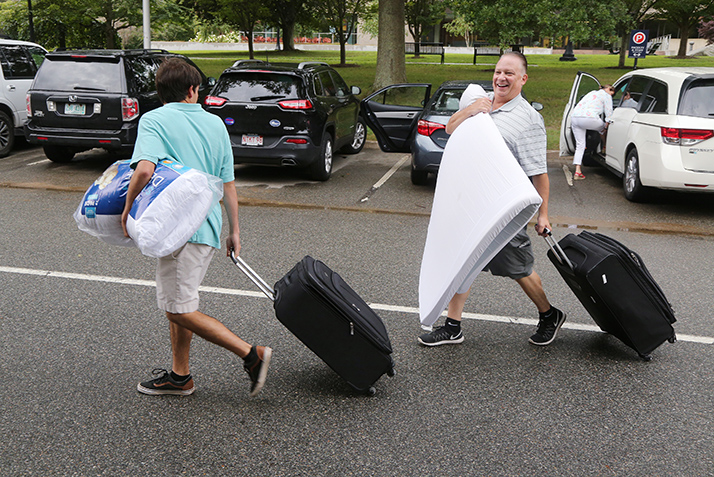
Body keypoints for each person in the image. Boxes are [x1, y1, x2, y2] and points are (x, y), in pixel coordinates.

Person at [121, 57, 272, 398]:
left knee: (178, 308)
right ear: (192, 90)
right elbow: (227, 184)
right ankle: (180, 376)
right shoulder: (215, 124)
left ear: (162, 92)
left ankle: (251, 355)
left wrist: (127, 209)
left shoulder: (155, 119)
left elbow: (143, 171)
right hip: (206, 228)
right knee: (179, 302)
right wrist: (235, 231)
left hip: (175, 230)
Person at [418, 51, 566, 348]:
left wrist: (543, 214)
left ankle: (549, 314)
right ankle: (452, 326)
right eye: (498, 71)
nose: (501, 78)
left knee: (518, 268)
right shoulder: (482, 102)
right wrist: (472, 109)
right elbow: (450, 128)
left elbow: (539, 173)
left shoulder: (528, 120)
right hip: (472, 203)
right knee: (463, 262)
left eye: (509, 73)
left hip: (503, 209)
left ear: (523, 79)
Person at [570, 85, 615, 179]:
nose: (611, 95)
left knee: (580, 145)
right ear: (610, 90)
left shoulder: (591, 93)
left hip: (575, 118)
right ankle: (605, 147)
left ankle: (577, 171)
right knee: (603, 128)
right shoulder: (607, 96)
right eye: (612, 93)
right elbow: (609, 112)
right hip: (590, 118)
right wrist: (607, 124)